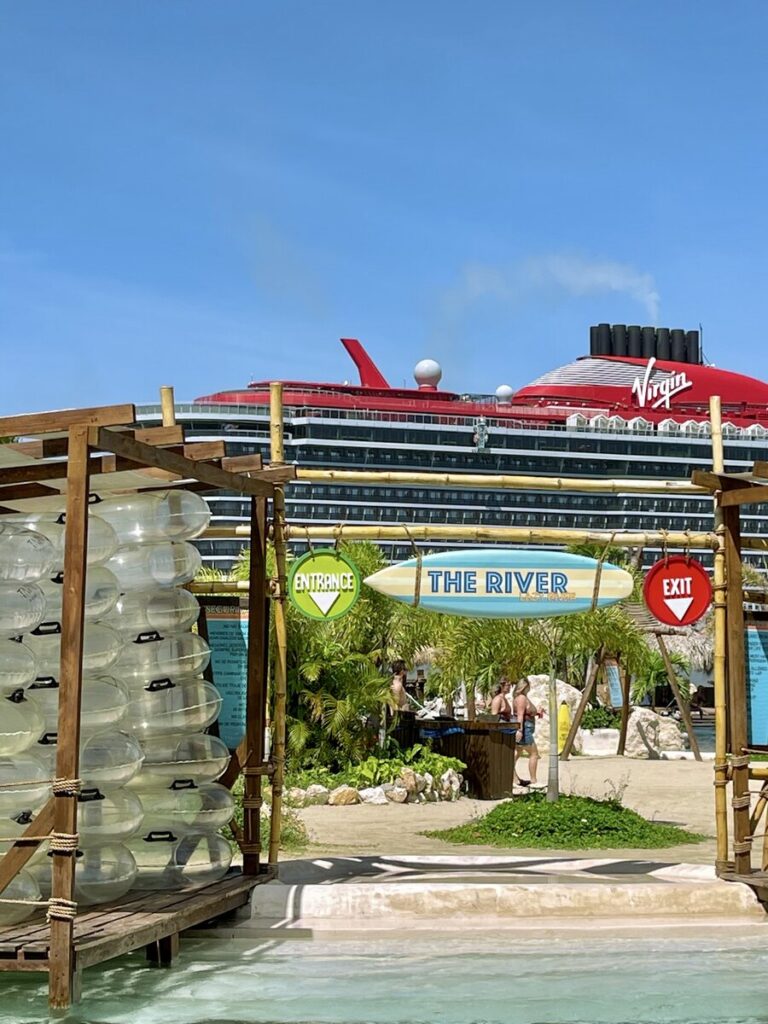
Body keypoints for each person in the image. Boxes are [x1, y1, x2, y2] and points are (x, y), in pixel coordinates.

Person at [491, 679, 529, 788]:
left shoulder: (504, 699)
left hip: (506, 728)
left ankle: (515, 778)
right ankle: (513, 779)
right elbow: (494, 717)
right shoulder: (498, 699)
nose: (509, 687)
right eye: (507, 685)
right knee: (508, 754)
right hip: (501, 730)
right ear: (502, 686)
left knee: (511, 753)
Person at [512, 678, 543, 788]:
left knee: (517, 753)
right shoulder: (521, 698)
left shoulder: (520, 698)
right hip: (525, 729)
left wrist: (536, 712)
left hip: (527, 727)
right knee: (534, 754)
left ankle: (514, 779)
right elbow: (520, 715)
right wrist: (519, 730)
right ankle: (533, 780)